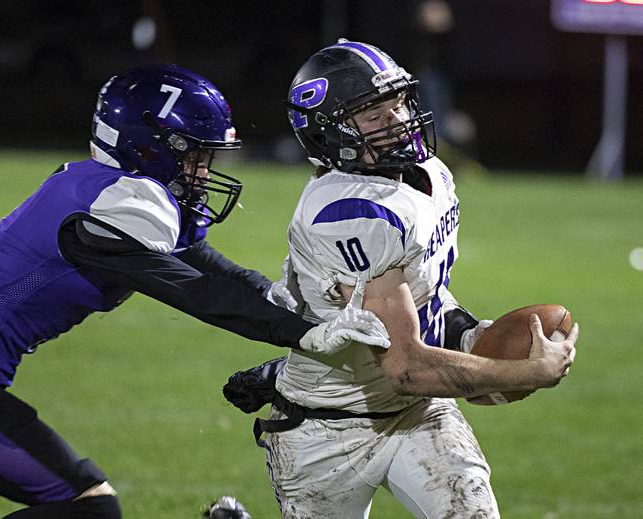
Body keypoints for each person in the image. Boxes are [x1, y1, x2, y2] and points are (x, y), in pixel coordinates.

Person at [0, 64, 389, 519]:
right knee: (88, 508)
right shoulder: (117, 206)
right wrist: (306, 331)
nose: (203, 172)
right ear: (152, 148)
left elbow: (204, 265)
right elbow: (192, 291)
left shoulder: (102, 188)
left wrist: (278, 298)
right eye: (196, 156)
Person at [226, 41, 579, 518]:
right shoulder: (346, 210)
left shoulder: (428, 174)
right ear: (330, 134)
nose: (396, 120)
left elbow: (424, 292)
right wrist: (526, 371)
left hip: (418, 412)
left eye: (396, 103)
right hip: (329, 426)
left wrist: (468, 333)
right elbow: (407, 366)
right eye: (373, 115)